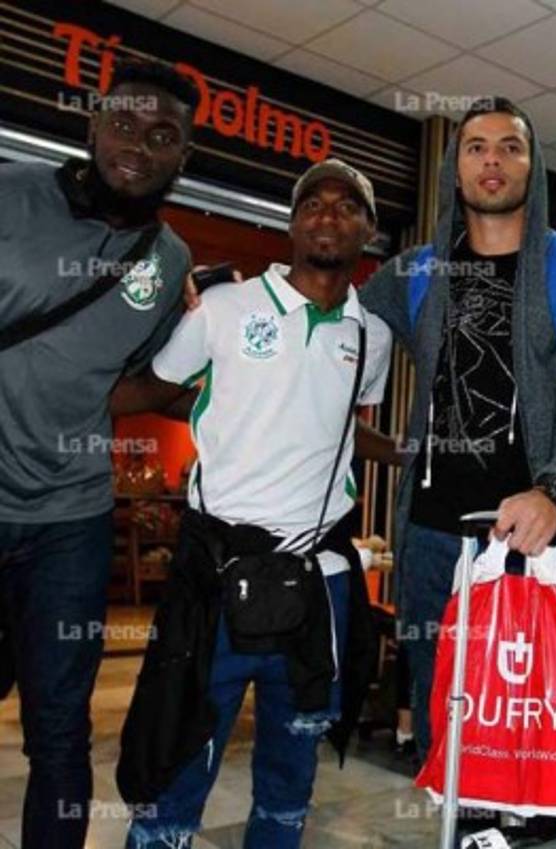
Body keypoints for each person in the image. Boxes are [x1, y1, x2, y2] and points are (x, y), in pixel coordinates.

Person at [357, 97, 556, 841]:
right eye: (476, 147)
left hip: (540, 546)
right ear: (455, 166)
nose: (493, 160)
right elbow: (332, 323)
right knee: (454, 749)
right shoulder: (415, 271)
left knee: (547, 747)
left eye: (511, 146)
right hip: (431, 545)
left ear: (533, 166)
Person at [112, 159, 392, 848]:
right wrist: (58, 394)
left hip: (317, 581)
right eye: (313, 203)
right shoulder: (226, 310)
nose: (328, 215)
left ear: (368, 230)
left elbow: (337, 423)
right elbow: (155, 387)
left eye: (347, 206)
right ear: (292, 223)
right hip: (217, 571)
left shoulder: (372, 336)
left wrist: (413, 453)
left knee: (291, 771)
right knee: (179, 753)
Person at [0, 58, 195, 849]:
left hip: (70, 519)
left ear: (183, 156)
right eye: (124, 123)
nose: (138, 145)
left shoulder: (169, 261)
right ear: (93, 123)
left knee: (59, 731)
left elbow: (137, 381)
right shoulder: (11, 191)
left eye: (162, 135)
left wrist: (231, 393)